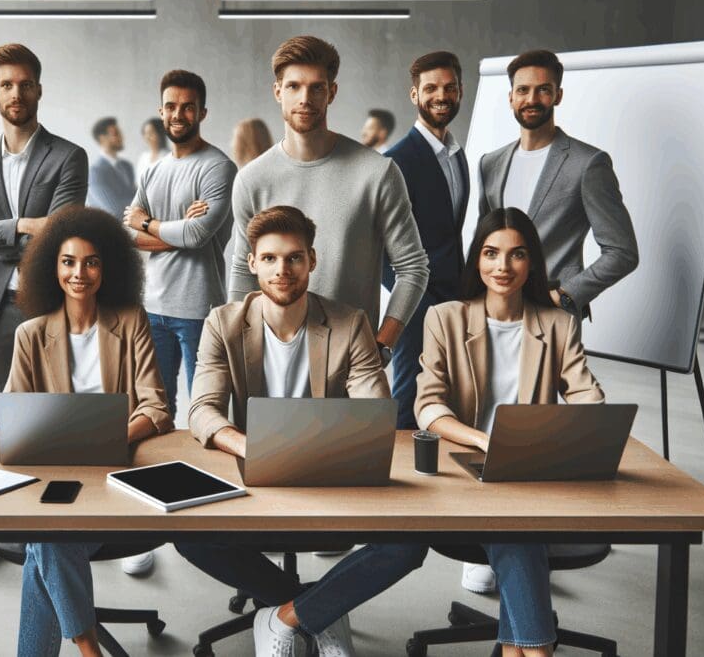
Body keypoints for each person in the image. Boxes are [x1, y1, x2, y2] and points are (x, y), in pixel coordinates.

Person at [178, 206, 428, 657]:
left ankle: (288, 616)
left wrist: (319, 448)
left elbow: (377, 412)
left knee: (409, 545)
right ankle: (321, 608)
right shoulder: (223, 323)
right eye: (270, 258)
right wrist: (249, 446)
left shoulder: (350, 323)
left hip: (327, 479)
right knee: (186, 533)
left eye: (294, 258)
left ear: (312, 260)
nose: (282, 270)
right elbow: (201, 411)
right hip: (254, 480)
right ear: (251, 263)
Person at [415, 207, 605, 657]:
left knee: (515, 521)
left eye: (516, 255)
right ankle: (539, 649)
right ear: (476, 261)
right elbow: (428, 406)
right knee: (515, 526)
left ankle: (524, 648)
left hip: (533, 472)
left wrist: (562, 434)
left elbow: (588, 399)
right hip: (463, 475)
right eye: (490, 253)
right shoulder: (444, 318)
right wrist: (485, 441)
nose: (502, 267)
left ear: (532, 263)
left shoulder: (557, 324)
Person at [0, 43, 88, 579]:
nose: (17, 93)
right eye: (7, 84)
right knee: (11, 417)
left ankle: (62, 533)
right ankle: (3, 529)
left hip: (48, 304)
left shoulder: (68, 156)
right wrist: (24, 226)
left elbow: (64, 233)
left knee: (55, 414)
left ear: (39, 89)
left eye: (26, 83)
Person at [8, 206, 172, 657]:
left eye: (91, 261)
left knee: (45, 541)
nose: (79, 273)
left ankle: (83, 648)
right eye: (68, 261)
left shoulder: (131, 320)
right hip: (50, 479)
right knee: (49, 535)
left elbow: (156, 406)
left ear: (107, 267)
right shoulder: (30, 335)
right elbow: (14, 417)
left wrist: (112, 438)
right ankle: (88, 647)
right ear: (51, 268)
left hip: (117, 477)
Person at [229, 35, 429, 364]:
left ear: (331, 92)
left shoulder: (377, 173)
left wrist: (382, 345)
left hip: (350, 362)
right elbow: (242, 271)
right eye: (293, 86)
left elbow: (413, 268)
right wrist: (241, 347)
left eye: (316, 87)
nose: (304, 98)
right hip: (270, 361)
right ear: (277, 91)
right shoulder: (252, 179)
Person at [478, 49, 638, 320]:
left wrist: (565, 295)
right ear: (511, 97)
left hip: (552, 316)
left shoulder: (588, 164)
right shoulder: (490, 163)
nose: (531, 99)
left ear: (558, 95)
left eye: (543, 90)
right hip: (495, 313)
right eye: (523, 90)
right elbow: (486, 243)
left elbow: (622, 252)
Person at [124, 69, 236, 416]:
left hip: (199, 311)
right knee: (155, 408)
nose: (178, 114)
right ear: (161, 112)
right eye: (171, 106)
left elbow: (197, 234)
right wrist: (179, 231)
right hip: (153, 308)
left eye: (188, 107)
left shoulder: (219, 168)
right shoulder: (153, 170)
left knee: (206, 408)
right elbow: (125, 233)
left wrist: (148, 223)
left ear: (202, 113)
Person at [382, 51, 470, 431]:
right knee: (409, 396)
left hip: (455, 300)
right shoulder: (397, 162)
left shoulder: (457, 156)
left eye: (449, 87)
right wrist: (416, 304)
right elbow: (383, 252)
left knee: (446, 393)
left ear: (461, 92)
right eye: (431, 88)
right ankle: (399, 475)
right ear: (414, 95)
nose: (441, 95)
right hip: (418, 305)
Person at [87, 116, 136, 215]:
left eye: (120, 133)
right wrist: (139, 205)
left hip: (130, 226)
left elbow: (137, 198)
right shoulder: (95, 172)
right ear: (102, 139)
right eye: (116, 134)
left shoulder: (127, 166)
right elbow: (115, 210)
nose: (121, 137)